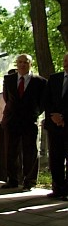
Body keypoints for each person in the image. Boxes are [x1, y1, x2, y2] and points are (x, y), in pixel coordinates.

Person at [1, 54, 47, 191]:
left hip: (29, 121)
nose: (22, 65)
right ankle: (12, 179)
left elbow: (42, 103)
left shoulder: (40, 82)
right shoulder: (8, 79)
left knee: (30, 151)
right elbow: (7, 98)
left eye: (25, 62)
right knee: (10, 151)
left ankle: (29, 181)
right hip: (12, 120)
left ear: (30, 64)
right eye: (19, 62)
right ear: (16, 64)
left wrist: (33, 114)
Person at [43, 53, 68, 200]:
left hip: (67, 124)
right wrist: (54, 117)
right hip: (54, 127)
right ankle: (57, 188)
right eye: (65, 60)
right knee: (55, 158)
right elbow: (47, 100)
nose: (66, 63)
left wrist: (64, 117)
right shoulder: (54, 78)